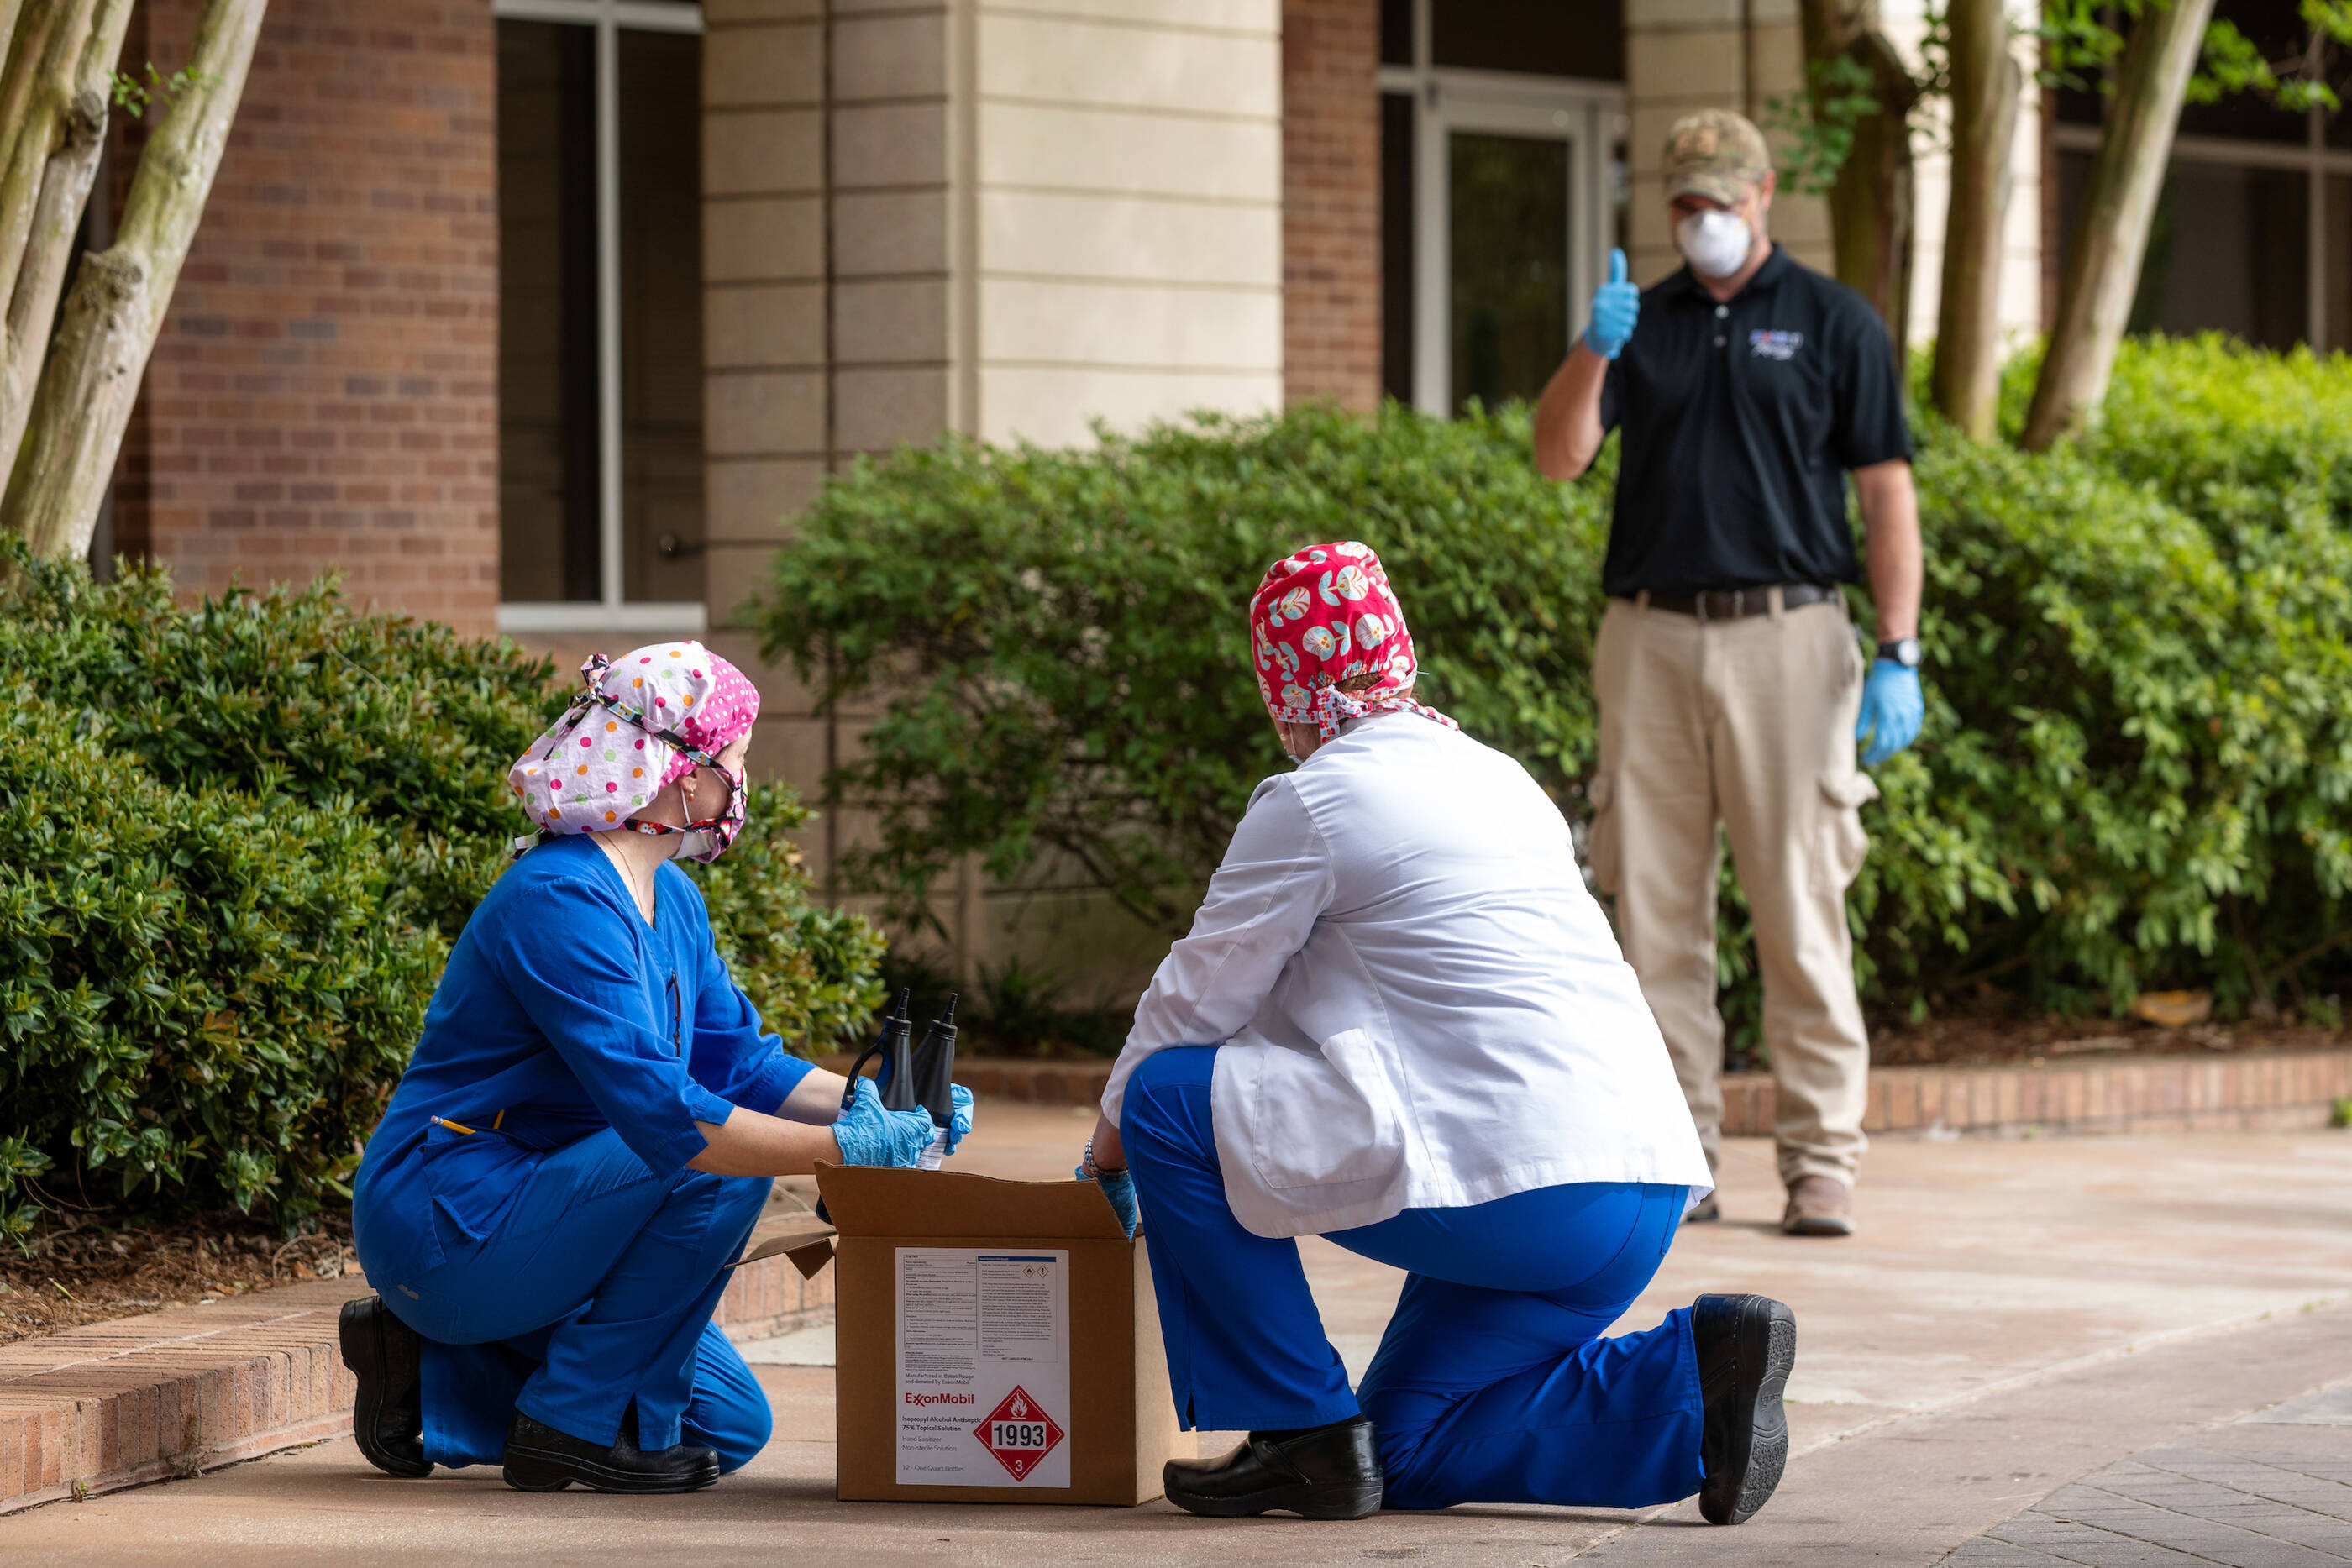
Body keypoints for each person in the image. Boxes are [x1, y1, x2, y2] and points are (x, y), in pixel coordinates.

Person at [1076, 542, 1795, 1525]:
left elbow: (1190, 1003)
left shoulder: (1318, 797)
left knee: (1164, 1102)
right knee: (1400, 1449)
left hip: (1528, 1198)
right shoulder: (1498, 777)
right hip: (1639, 1187)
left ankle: (1295, 1432)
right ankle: (1691, 1383)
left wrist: (1108, 1153)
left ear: (1281, 684)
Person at [340, 642, 967, 1494]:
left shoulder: (672, 897)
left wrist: (883, 1103)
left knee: (729, 1426)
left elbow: (738, 1061)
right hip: (450, 1214)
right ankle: (561, 1427)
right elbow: (673, 1119)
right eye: (736, 763)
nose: (744, 787)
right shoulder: (558, 898)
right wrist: (840, 1149)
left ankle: (427, 1365)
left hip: (553, 1210)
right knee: (711, 1163)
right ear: (679, 776)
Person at [1531, 108, 1925, 1238]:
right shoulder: (1637, 321)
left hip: (1789, 638)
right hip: (1649, 635)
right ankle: (1679, 1150)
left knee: (1800, 903)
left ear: (1762, 197)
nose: (1702, 218)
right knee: (1655, 909)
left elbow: (1887, 493)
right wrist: (1595, 346)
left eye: (1721, 197)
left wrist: (1899, 649)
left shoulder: (1834, 322)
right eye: (1685, 202)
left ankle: (1820, 1161)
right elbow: (1560, 457)